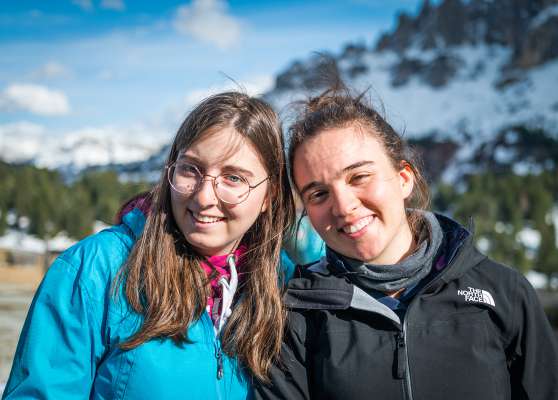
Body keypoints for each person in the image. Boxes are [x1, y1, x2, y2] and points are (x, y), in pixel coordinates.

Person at [254, 88, 558, 399]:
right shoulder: (294, 314)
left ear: (404, 179)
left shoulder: (502, 292)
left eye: (359, 177)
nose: (343, 207)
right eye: (319, 194)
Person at [3, 91, 296, 399]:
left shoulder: (282, 283)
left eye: (234, 178)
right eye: (191, 169)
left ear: (270, 196)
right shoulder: (96, 269)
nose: (203, 198)